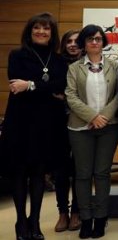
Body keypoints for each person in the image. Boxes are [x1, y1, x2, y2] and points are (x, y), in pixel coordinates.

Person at [2, 12, 68, 240]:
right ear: (29, 32)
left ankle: (35, 222)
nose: (41, 32)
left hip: (47, 124)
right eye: (37, 28)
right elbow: (14, 83)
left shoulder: (58, 60)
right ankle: (21, 222)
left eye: (46, 28)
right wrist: (44, 89)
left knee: (40, 174)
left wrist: (29, 85)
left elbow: (62, 85)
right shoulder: (18, 55)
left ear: (52, 33)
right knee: (19, 173)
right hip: (20, 123)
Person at [65, 25, 118, 238]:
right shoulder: (74, 68)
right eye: (90, 39)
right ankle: (85, 219)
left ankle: (101, 218)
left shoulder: (115, 66)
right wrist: (92, 117)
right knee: (83, 174)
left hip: (109, 127)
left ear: (103, 41)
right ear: (84, 43)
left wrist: (103, 116)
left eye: (98, 38)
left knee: (102, 173)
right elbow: (71, 96)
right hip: (80, 128)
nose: (95, 42)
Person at [53, 29, 82, 233]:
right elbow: (52, 90)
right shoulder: (55, 64)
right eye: (68, 41)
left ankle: (76, 212)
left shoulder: (90, 64)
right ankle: (63, 212)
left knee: (81, 170)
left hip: (82, 122)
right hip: (58, 124)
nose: (72, 44)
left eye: (76, 41)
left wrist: (68, 98)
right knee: (61, 171)